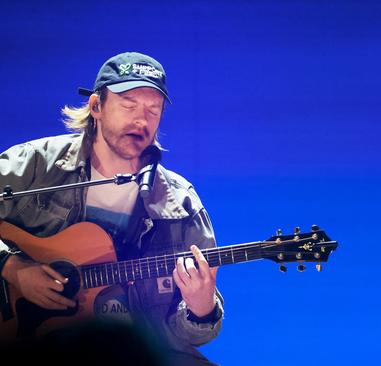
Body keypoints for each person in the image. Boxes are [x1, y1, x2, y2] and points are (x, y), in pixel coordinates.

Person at [0, 52, 223, 365]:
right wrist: (13, 269)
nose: (141, 120)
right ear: (96, 107)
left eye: (153, 110)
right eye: (128, 105)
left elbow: (189, 335)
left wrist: (202, 308)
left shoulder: (180, 203)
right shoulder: (37, 165)